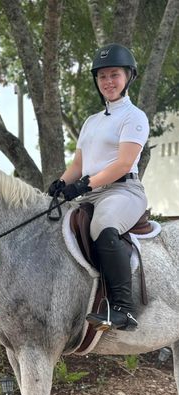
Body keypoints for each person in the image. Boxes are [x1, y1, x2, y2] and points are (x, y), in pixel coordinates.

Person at [48, 43, 149, 331]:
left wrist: (83, 185)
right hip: (91, 192)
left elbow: (123, 163)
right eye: (102, 76)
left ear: (128, 77)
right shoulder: (91, 122)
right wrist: (59, 185)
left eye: (114, 75)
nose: (108, 82)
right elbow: (78, 165)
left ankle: (124, 310)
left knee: (102, 227)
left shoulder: (134, 117)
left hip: (123, 191)